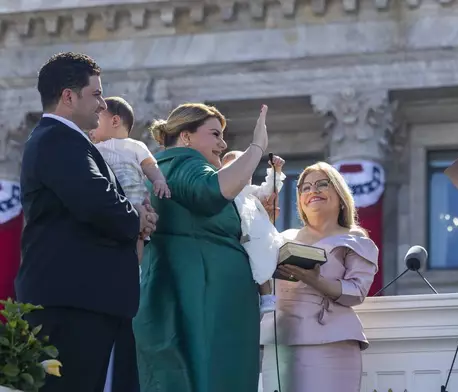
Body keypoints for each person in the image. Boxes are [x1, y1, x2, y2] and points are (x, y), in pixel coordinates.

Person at [17, 52, 158, 392]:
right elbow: (96, 202)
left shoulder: (67, 141)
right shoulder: (56, 139)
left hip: (87, 302)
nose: (102, 104)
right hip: (72, 305)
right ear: (68, 96)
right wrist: (136, 218)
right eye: (96, 94)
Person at [133, 103, 273, 392]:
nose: (222, 144)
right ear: (185, 137)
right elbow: (210, 191)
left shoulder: (167, 168)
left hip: (193, 292)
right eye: (215, 134)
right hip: (205, 298)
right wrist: (257, 147)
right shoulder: (186, 163)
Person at [260, 162, 379, 392]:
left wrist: (315, 280)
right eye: (305, 187)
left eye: (322, 184)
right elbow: (257, 275)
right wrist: (262, 224)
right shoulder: (281, 238)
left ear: (340, 194)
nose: (313, 191)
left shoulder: (356, 240)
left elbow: (357, 291)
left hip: (333, 342)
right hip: (282, 340)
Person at [90, 96, 171, 263]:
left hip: (135, 200)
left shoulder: (135, 146)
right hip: (110, 201)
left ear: (115, 121)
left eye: (96, 118)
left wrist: (159, 181)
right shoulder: (93, 148)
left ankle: (136, 269)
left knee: (138, 236)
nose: (90, 127)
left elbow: (150, 165)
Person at [221, 150, 285, 314]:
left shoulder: (251, 193)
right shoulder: (223, 192)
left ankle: (266, 296)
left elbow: (269, 190)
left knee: (262, 260)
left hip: (256, 234)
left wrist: (275, 171)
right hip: (236, 236)